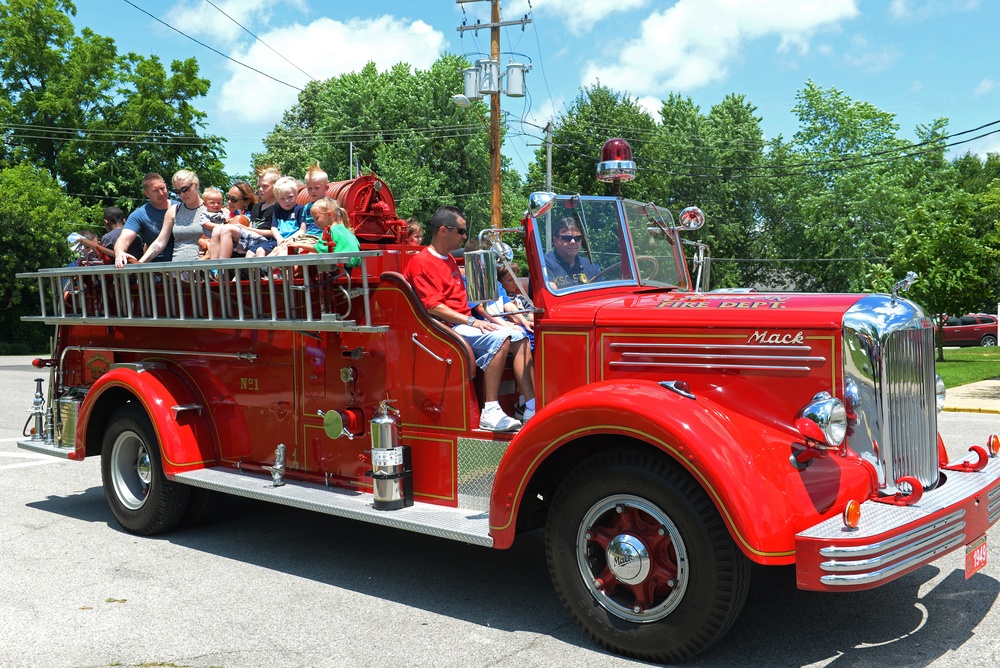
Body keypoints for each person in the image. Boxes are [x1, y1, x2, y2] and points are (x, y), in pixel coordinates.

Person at [404, 206, 535, 432]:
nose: (464, 237)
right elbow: (434, 307)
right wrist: (473, 322)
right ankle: (491, 411)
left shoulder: (449, 260)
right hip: (444, 329)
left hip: (460, 323)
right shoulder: (421, 263)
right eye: (461, 231)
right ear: (444, 231)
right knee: (501, 337)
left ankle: (531, 408)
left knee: (520, 337)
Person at [129, 169, 205, 265]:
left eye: (185, 189)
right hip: (178, 271)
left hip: (203, 270)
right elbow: (160, 242)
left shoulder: (212, 209)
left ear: (196, 185)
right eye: (177, 191)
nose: (182, 194)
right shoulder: (174, 210)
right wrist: (139, 264)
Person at [114, 172, 175, 265]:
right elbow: (124, 239)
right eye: (155, 190)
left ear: (166, 186)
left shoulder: (181, 208)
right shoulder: (140, 214)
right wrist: (119, 252)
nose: (161, 193)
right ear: (146, 194)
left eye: (162, 188)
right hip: (157, 270)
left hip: (184, 265)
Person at [286, 198, 360, 267]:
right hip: (351, 262)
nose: (315, 222)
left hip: (341, 264)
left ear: (329, 214)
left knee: (309, 256)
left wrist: (298, 244)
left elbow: (319, 249)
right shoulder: (345, 229)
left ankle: (290, 276)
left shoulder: (329, 230)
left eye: (317, 218)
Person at [207, 181, 262, 260]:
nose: (229, 202)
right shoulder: (223, 213)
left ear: (247, 202)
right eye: (228, 197)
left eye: (234, 199)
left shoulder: (242, 218)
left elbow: (222, 241)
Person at [544, 217, 601, 290]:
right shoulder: (544, 265)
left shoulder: (589, 266)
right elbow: (550, 295)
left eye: (577, 238)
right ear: (555, 241)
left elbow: (604, 294)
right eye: (567, 238)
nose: (573, 242)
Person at [301, 164, 329, 237]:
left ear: (326, 188)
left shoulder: (331, 205)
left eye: (317, 188)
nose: (313, 191)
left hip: (323, 238)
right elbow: (302, 230)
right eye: (309, 188)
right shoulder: (307, 207)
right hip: (307, 237)